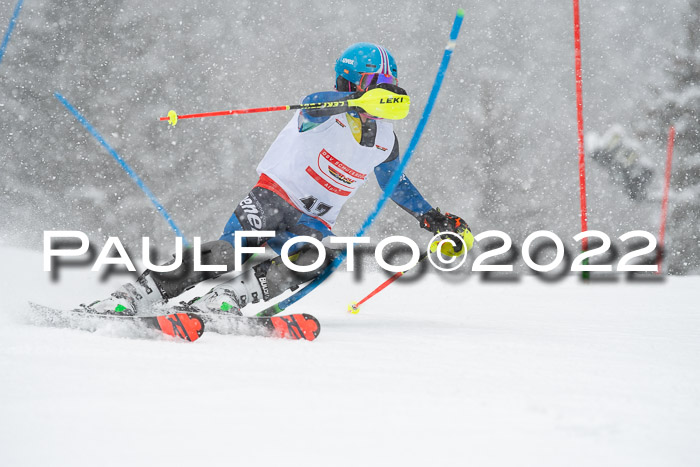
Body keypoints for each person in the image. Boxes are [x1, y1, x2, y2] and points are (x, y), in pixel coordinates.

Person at [86, 42, 474, 316]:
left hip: (314, 220)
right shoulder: (322, 112)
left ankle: (229, 299)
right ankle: (137, 294)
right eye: (376, 86)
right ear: (351, 83)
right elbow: (315, 101)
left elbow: (395, 184)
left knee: (316, 258)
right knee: (229, 253)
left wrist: (433, 219)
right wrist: (353, 102)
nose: (384, 96)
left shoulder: (385, 139)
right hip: (273, 197)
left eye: (389, 87)